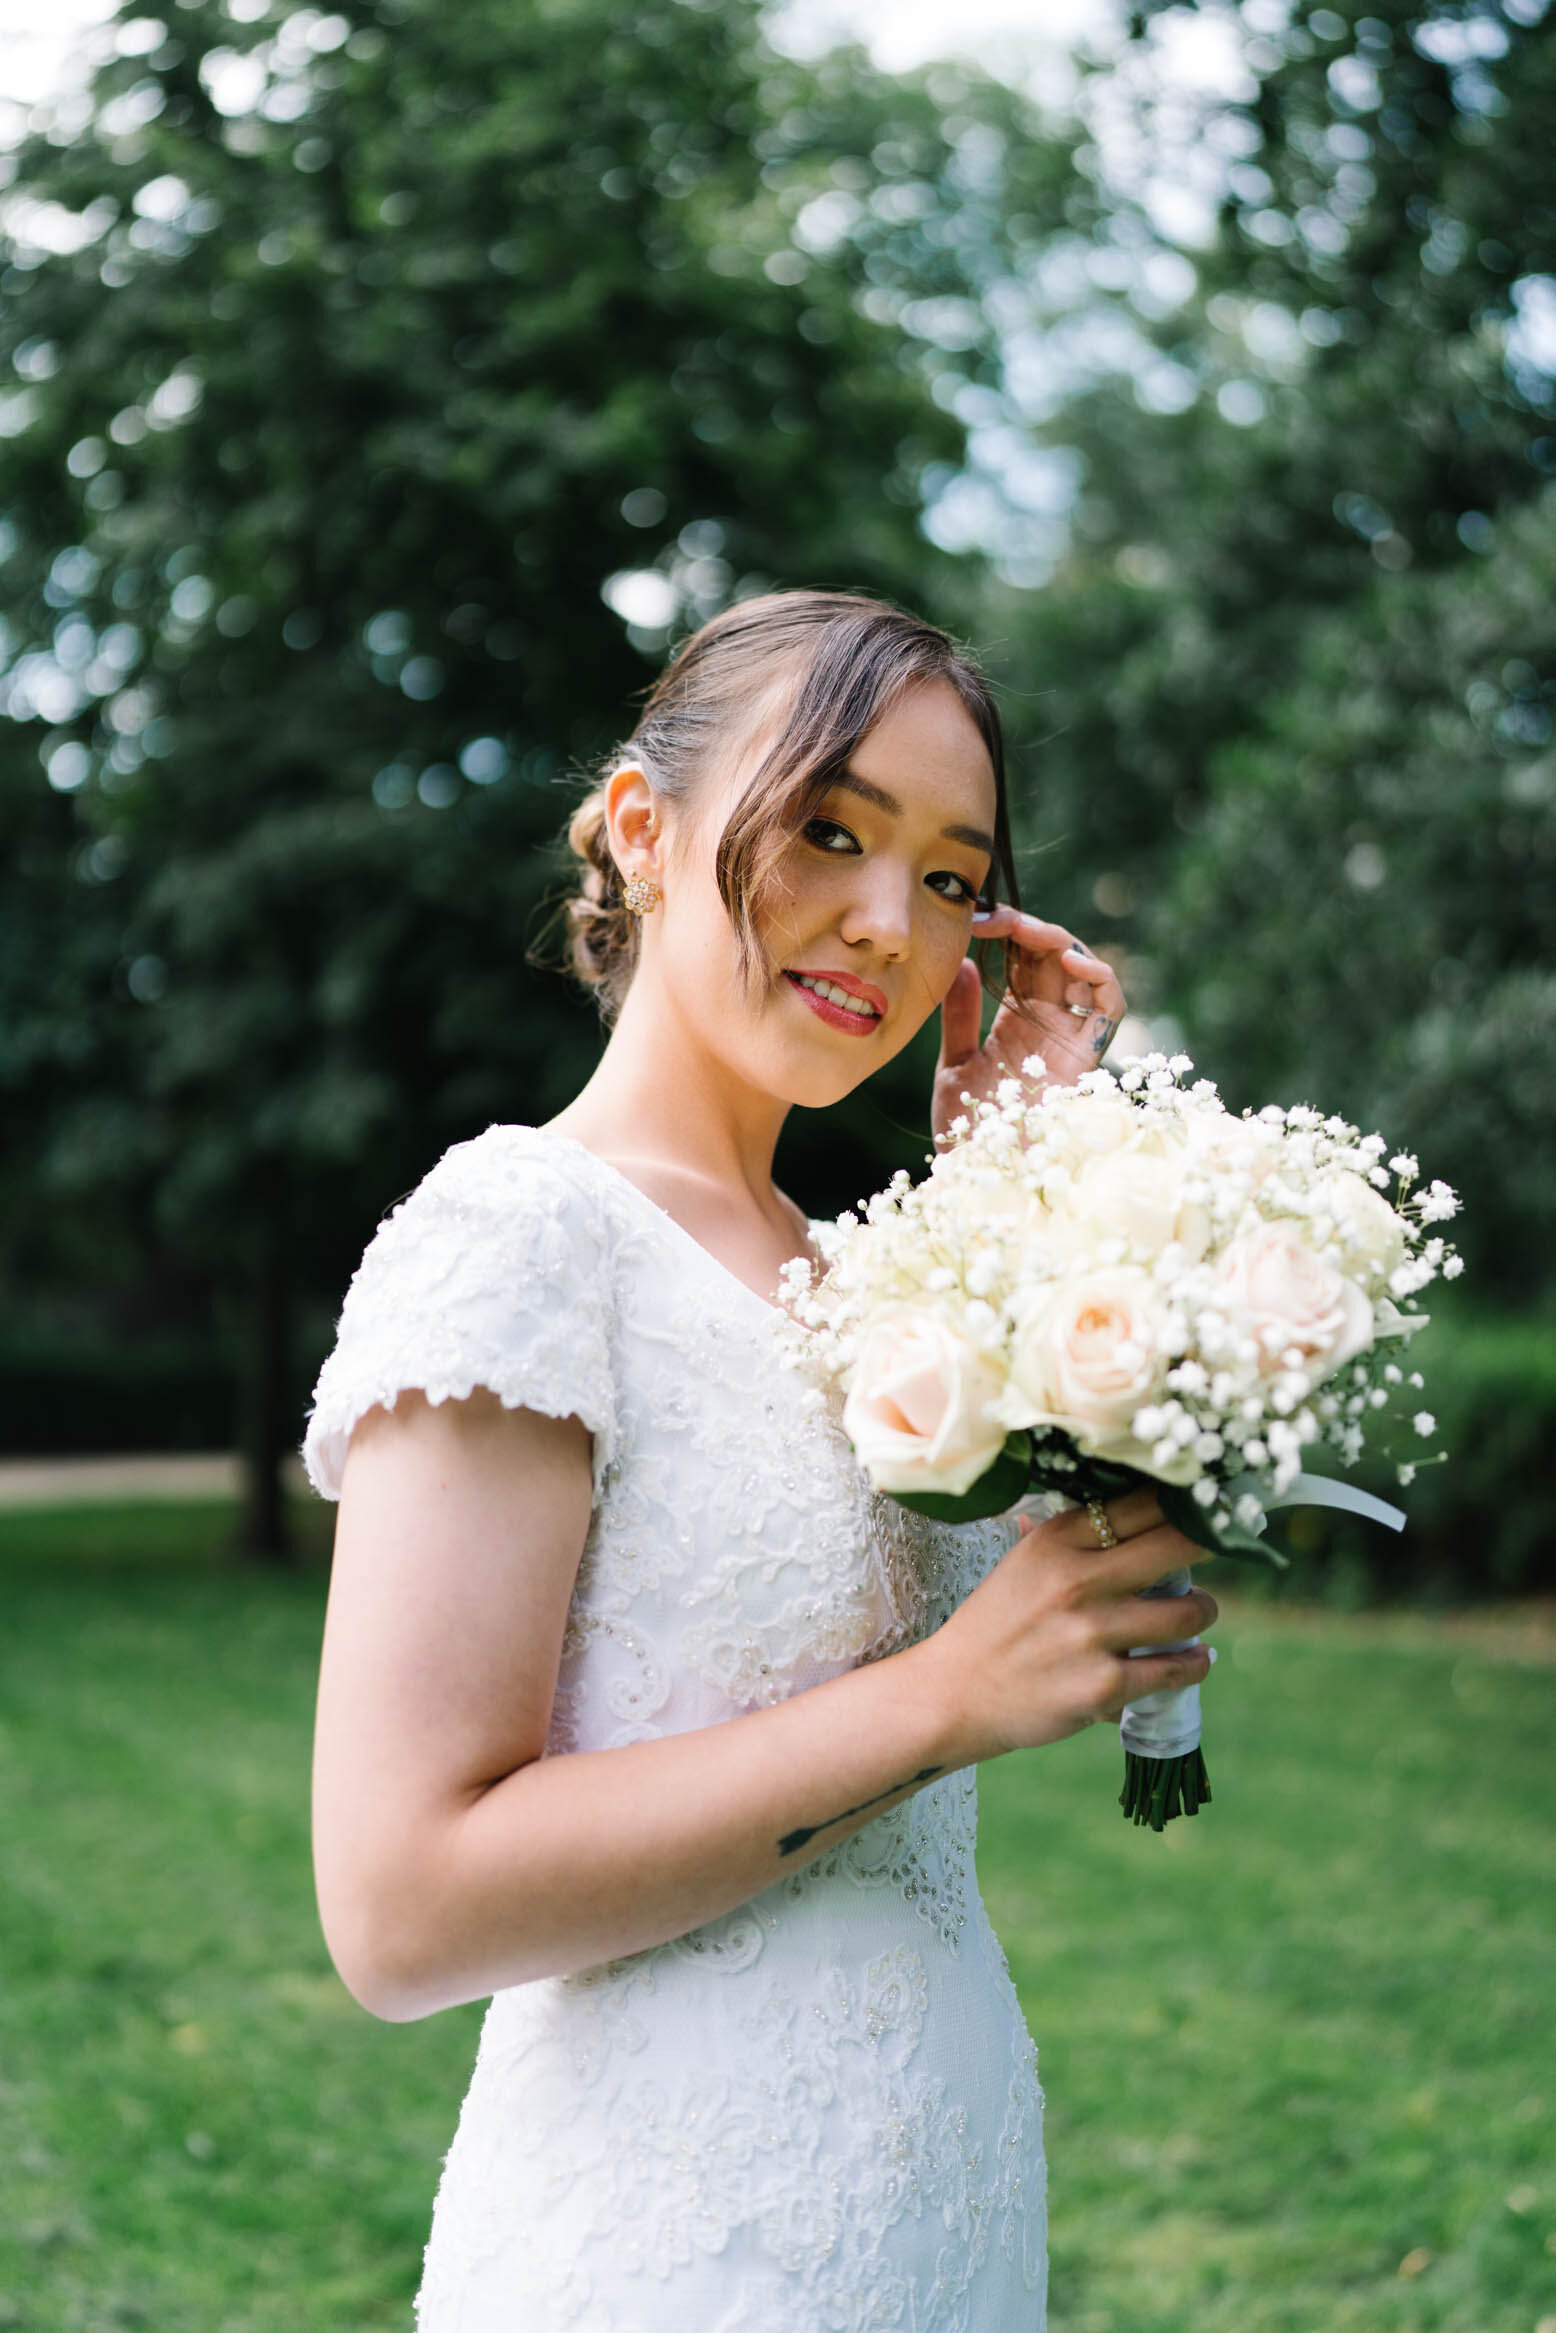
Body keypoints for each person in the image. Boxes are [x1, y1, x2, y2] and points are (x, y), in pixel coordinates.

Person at [304, 589, 1217, 2331]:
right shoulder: (523, 1233)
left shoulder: (877, 1279)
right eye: (826, 829)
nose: (888, 923)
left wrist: (1025, 1195)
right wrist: (950, 1695)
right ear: (645, 832)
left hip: (938, 2202)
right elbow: (401, 1904)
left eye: (951, 876)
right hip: (672, 2244)